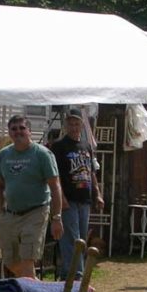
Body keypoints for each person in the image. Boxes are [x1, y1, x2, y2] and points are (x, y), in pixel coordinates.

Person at [0, 115, 63, 279]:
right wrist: (0, 207)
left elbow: (55, 185)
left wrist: (57, 217)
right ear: (9, 132)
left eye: (22, 128)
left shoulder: (42, 154)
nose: (18, 132)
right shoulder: (4, 154)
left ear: (29, 131)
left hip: (35, 212)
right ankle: (36, 288)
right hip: (10, 214)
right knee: (9, 261)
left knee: (27, 259)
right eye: (14, 129)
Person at [49, 109, 103, 280]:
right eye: (70, 124)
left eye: (76, 123)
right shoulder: (58, 146)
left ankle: (67, 274)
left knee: (81, 237)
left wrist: (98, 194)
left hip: (84, 198)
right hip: (68, 198)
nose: (73, 127)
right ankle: (77, 275)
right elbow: (54, 176)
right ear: (66, 125)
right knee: (72, 239)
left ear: (81, 125)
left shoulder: (86, 146)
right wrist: (61, 198)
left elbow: (92, 172)